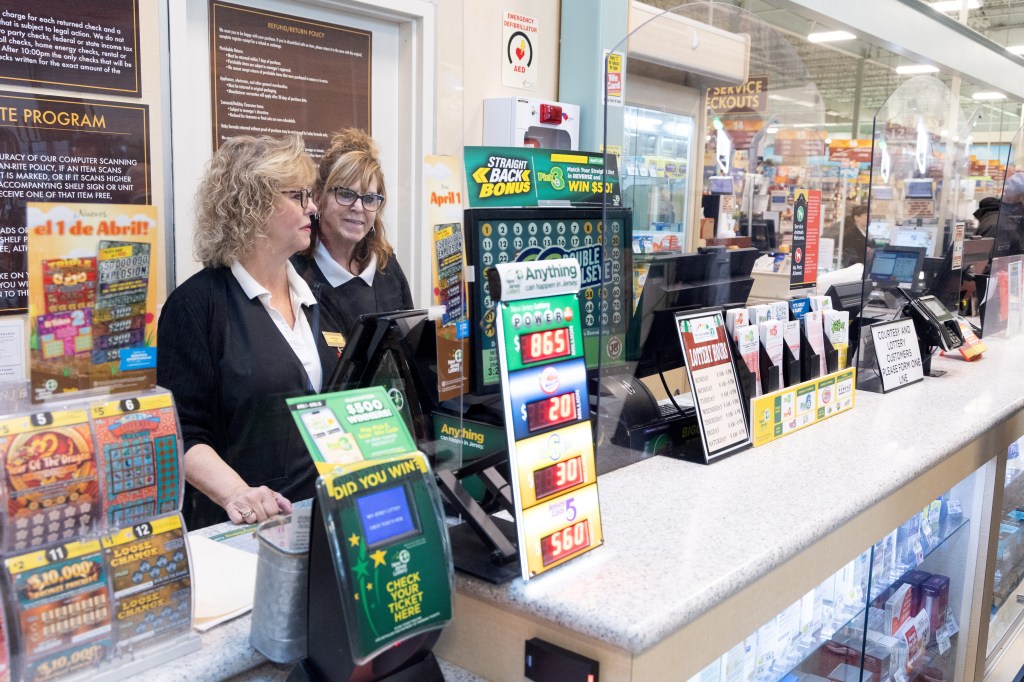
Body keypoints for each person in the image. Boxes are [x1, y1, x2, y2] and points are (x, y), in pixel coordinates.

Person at [157, 135, 338, 529]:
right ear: (252, 205)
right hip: (242, 530)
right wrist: (237, 493)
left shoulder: (312, 296)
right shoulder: (197, 305)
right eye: (298, 195)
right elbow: (179, 433)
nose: (312, 207)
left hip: (318, 518)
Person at [293, 129, 414, 338]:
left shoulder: (388, 269)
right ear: (319, 197)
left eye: (369, 199)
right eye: (346, 194)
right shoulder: (293, 271)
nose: (358, 207)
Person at [823, 204, 869, 268]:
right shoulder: (849, 232)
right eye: (866, 215)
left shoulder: (861, 232)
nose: (869, 218)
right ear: (856, 217)